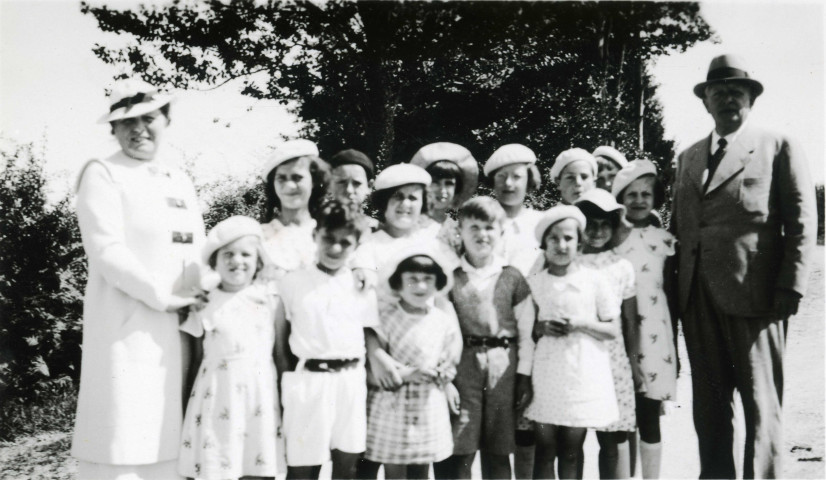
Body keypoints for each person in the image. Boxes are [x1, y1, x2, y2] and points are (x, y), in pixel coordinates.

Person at [671, 54, 817, 479]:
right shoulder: (688, 157)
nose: (728, 98)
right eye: (719, 92)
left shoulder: (777, 146)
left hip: (756, 298)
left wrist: (790, 287)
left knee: (760, 404)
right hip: (698, 301)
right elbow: (680, 229)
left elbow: (802, 222)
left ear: (751, 98)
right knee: (709, 409)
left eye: (738, 91)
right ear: (706, 102)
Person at [71, 78, 206, 479]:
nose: (138, 129)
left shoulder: (178, 178)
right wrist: (163, 296)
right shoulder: (102, 173)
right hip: (127, 328)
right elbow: (107, 251)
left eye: (149, 118)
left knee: (172, 444)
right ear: (112, 129)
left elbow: (195, 250)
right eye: (126, 122)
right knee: (126, 443)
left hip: (182, 330)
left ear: (166, 119)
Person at [274, 200, 378, 480]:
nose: (335, 249)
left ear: (356, 246)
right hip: (308, 381)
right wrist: (288, 388)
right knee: (302, 469)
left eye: (345, 243)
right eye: (328, 239)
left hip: (350, 381)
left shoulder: (361, 285)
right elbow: (281, 347)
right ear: (315, 236)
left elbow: (370, 338)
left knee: (346, 468)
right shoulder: (292, 282)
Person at [178, 216, 284, 480]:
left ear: (258, 261)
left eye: (246, 254)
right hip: (217, 399)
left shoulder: (269, 300)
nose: (237, 261)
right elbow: (196, 361)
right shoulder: (204, 303)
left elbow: (279, 355)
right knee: (218, 463)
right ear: (214, 261)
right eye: (228, 254)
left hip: (259, 398)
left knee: (257, 465)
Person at [439, 197, 536, 480]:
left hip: (503, 367)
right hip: (463, 367)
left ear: (501, 233)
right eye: (474, 227)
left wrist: (524, 376)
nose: (482, 235)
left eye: (489, 228)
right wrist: (446, 380)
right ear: (461, 232)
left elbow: (526, 332)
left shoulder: (513, 278)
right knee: (462, 449)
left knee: (498, 451)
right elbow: (441, 333)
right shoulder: (450, 278)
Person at [526, 206, 620, 480]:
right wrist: (540, 327)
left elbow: (613, 329)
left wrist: (581, 324)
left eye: (568, 238)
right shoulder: (534, 284)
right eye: (553, 239)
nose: (561, 245)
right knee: (544, 449)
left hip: (581, 374)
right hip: (546, 376)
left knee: (571, 449)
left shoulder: (594, 280)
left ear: (579, 243)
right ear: (543, 245)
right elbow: (524, 329)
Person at [363, 248, 463, 480]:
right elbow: (375, 366)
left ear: (437, 284)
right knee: (395, 469)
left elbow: (448, 358)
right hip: (392, 404)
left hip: (427, 405)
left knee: (421, 467)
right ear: (398, 284)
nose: (420, 287)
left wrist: (444, 371)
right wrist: (407, 374)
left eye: (428, 279)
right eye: (412, 280)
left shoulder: (442, 320)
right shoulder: (386, 317)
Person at [482, 143, 543, 478]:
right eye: (501, 177)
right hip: (496, 336)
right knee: (496, 434)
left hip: (535, 334)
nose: (508, 184)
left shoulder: (540, 222)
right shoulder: (483, 223)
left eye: (516, 176)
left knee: (528, 429)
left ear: (528, 179)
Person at [612, 160, 676, 479]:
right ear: (620, 198)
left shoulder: (664, 239)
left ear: (655, 198)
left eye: (645, 194)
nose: (638, 200)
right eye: (631, 194)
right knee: (622, 418)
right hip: (619, 333)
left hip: (654, 335)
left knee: (650, 415)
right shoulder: (612, 240)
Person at [575, 189, 642, 479]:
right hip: (574, 358)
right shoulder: (569, 261)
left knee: (613, 439)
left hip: (612, 361)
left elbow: (630, 321)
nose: (598, 230)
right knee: (571, 439)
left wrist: (634, 362)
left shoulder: (622, 266)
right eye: (591, 222)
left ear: (614, 227)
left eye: (605, 223)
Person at [260, 139, 331, 281]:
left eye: (297, 177)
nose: (289, 186)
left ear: (314, 181)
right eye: (281, 178)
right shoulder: (260, 235)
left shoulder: (329, 232)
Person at [410, 142, 480, 254]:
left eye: (448, 184)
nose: (442, 190)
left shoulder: (458, 230)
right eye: (435, 182)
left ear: (457, 188)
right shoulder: (408, 224)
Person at [327, 148, 379, 231]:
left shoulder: (379, 231)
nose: (349, 190)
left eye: (357, 183)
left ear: (369, 186)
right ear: (329, 186)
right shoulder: (315, 228)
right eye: (342, 182)